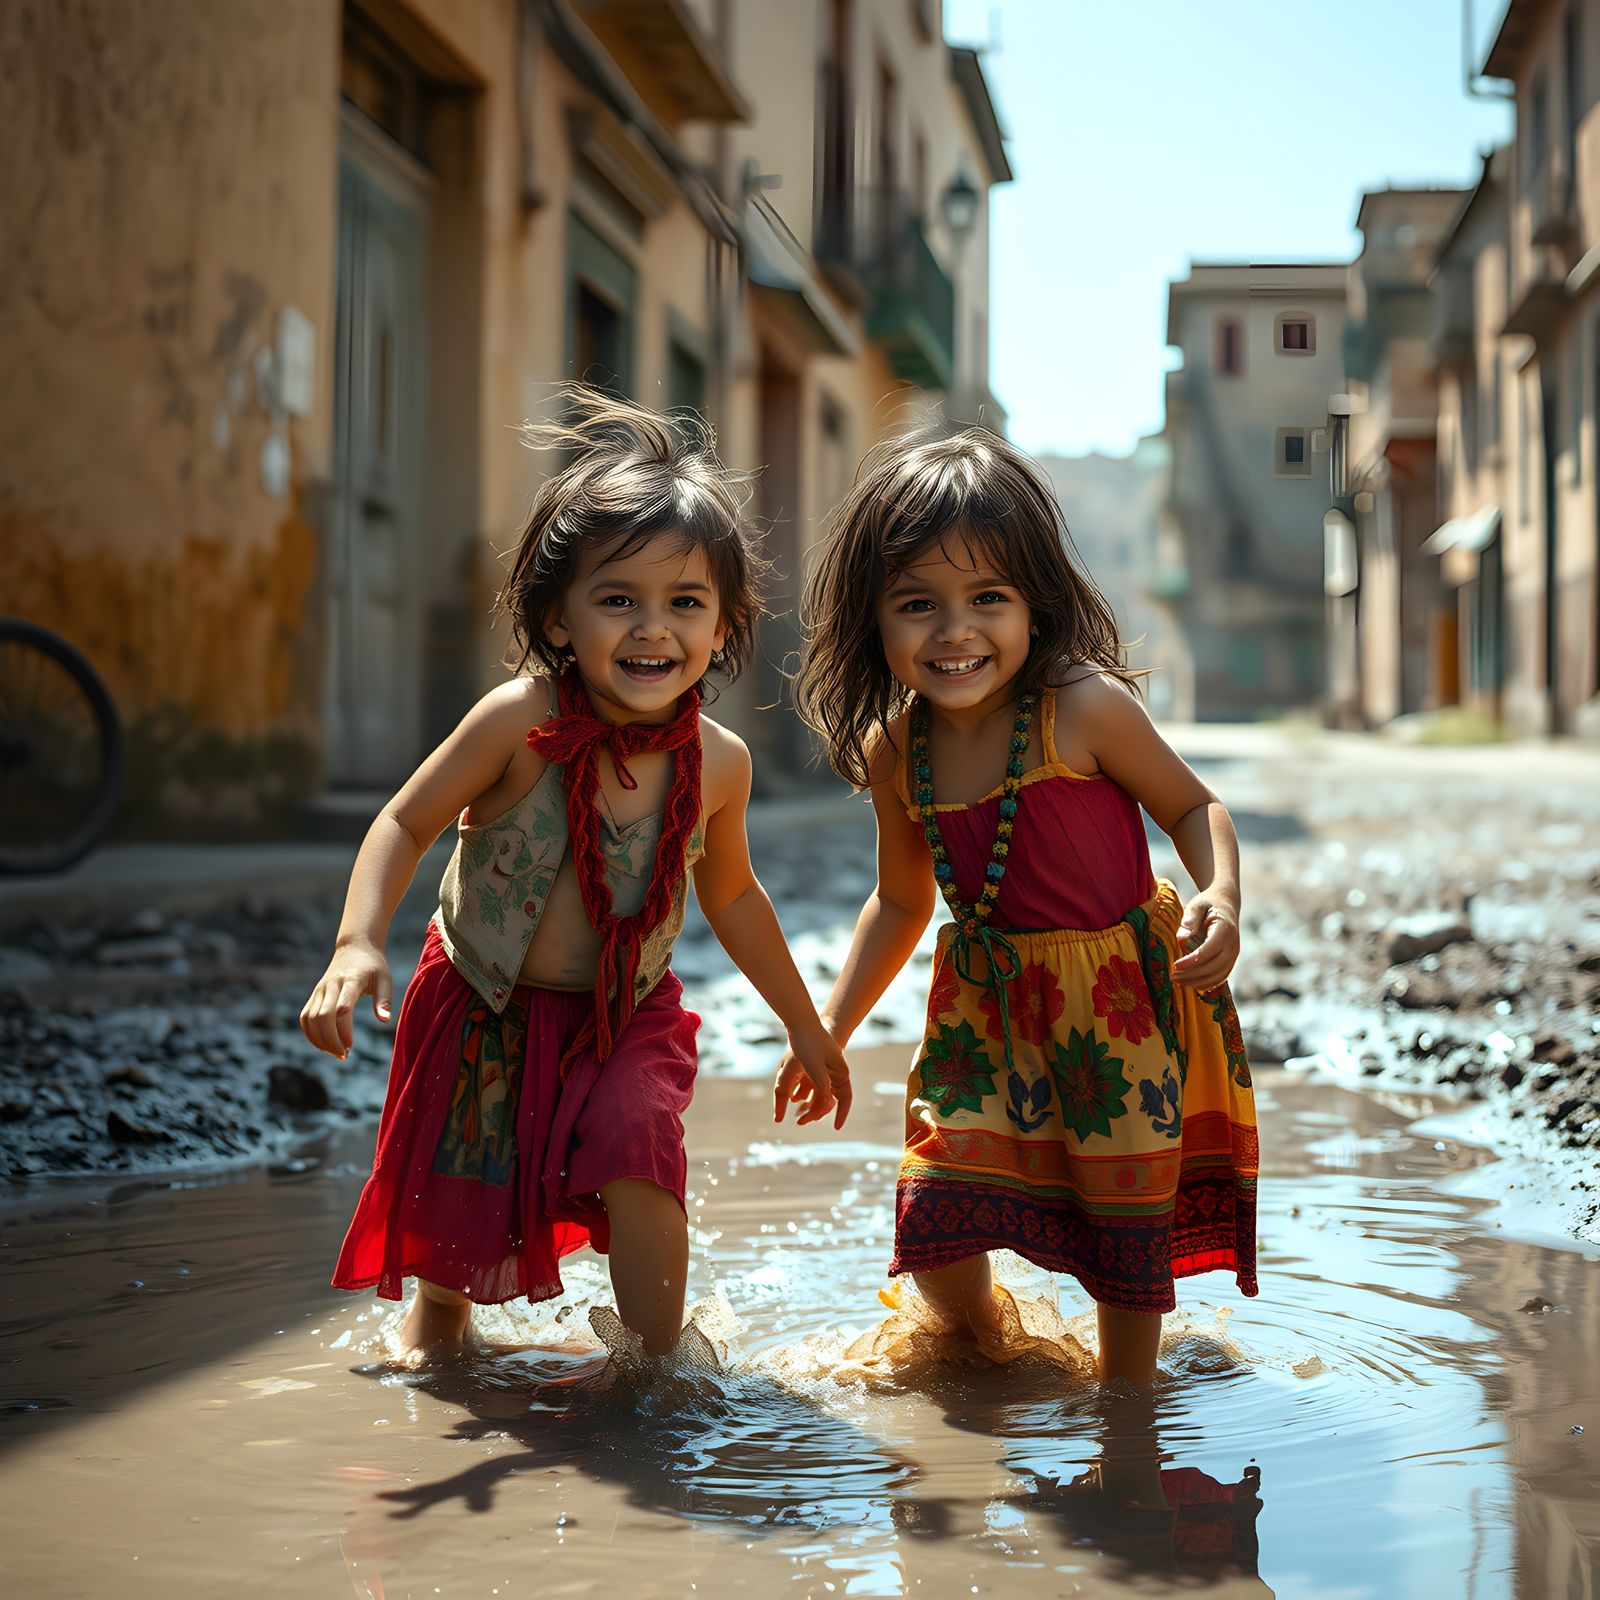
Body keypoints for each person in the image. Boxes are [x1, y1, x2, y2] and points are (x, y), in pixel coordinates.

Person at [302, 389, 851, 1362]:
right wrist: (354, 944)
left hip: (622, 1012)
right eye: (617, 600)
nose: (652, 629)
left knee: (642, 1139)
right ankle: (434, 1338)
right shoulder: (518, 721)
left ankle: (655, 1374)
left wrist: (807, 1028)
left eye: (685, 603)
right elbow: (406, 819)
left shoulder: (718, 762)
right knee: (452, 1216)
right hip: (482, 1000)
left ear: (724, 627)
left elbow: (731, 895)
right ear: (560, 618)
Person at [779, 420, 1258, 1385]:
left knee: (1126, 1232)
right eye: (919, 603)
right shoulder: (896, 750)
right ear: (872, 619)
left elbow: (1194, 805)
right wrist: (827, 1027)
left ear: (1035, 606)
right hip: (985, 1008)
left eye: (987, 598)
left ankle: (1127, 1406)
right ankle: (987, 1339)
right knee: (935, 1213)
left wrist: (1221, 896)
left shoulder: (1082, 707)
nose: (955, 631)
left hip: (1117, 1003)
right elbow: (900, 900)